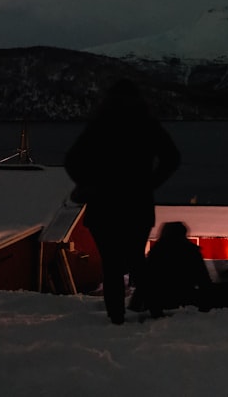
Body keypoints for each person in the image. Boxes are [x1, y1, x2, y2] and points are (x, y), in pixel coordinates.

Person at [64, 79, 180, 325]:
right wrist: (149, 183)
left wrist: (90, 184)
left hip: (104, 207)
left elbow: (72, 161)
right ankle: (156, 310)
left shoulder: (100, 126)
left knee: (111, 264)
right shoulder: (146, 125)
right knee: (137, 260)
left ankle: (116, 316)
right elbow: (172, 158)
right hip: (136, 206)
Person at [138, 221, 212, 316]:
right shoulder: (191, 251)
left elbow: (147, 278)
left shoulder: (157, 251)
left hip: (160, 298)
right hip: (185, 297)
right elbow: (203, 278)